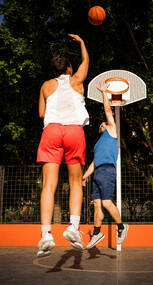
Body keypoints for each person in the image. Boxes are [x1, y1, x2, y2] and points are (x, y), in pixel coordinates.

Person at [36, 34, 89, 257]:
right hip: (74, 131)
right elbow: (86, 61)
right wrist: (82, 43)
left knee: (49, 184)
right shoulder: (76, 80)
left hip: (52, 131)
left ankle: (46, 234)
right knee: (76, 181)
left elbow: (41, 113)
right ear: (69, 67)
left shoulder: (46, 86)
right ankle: (73, 228)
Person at [82, 82, 128, 249]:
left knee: (107, 203)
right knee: (96, 204)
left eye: (104, 123)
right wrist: (85, 176)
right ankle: (96, 233)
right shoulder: (97, 144)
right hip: (98, 172)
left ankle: (122, 227)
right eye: (101, 124)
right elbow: (94, 162)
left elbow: (108, 111)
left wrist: (104, 92)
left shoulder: (112, 131)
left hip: (108, 170)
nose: (102, 124)